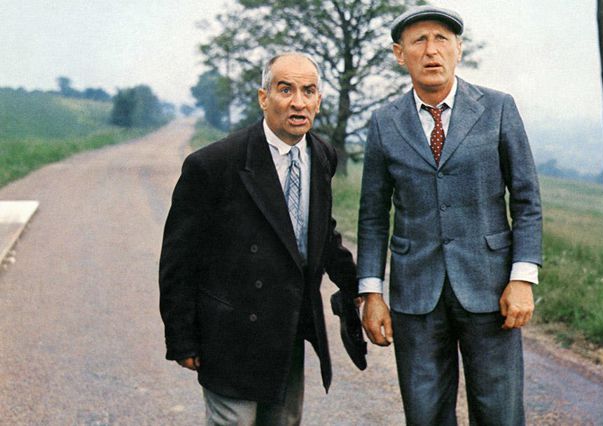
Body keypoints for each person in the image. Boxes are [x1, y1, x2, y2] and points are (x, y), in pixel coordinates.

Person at [357, 6, 543, 425]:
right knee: (425, 415)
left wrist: (522, 278)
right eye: (418, 41)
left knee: (500, 414)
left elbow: (527, 200)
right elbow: (372, 216)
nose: (431, 50)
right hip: (416, 295)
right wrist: (371, 293)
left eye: (441, 39)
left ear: (459, 49)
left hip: (491, 290)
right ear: (399, 54)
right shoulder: (384, 122)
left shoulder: (497, 108)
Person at [159, 51, 358, 426]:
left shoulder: (321, 156)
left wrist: (361, 288)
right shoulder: (214, 164)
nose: (298, 102)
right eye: (285, 89)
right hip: (230, 334)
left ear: (318, 101)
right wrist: (181, 337)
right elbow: (178, 260)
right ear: (263, 98)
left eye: (308, 91)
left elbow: (321, 234)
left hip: (288, 330)